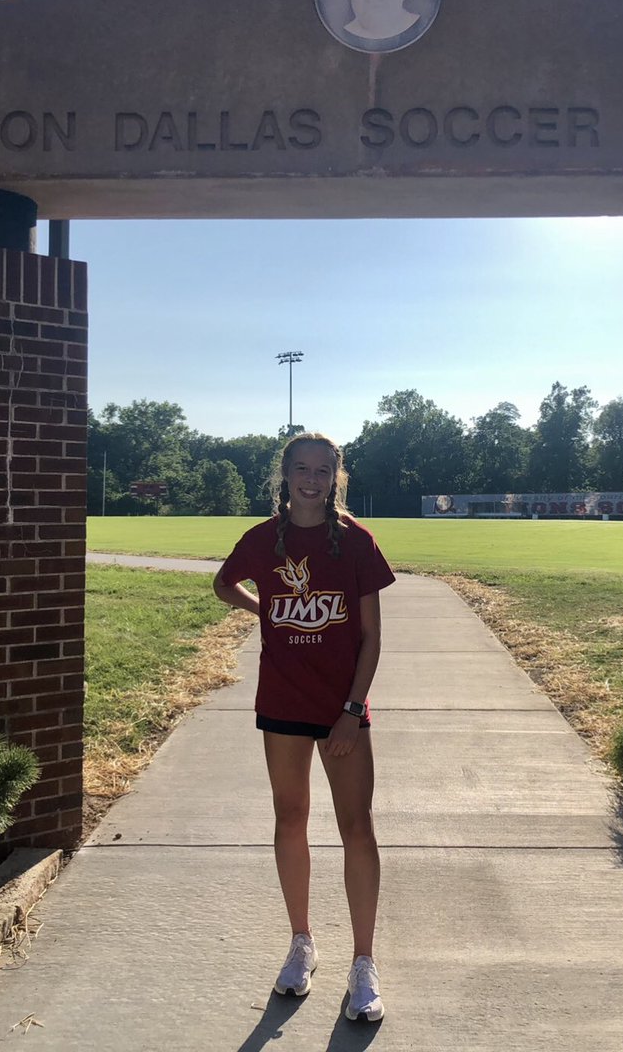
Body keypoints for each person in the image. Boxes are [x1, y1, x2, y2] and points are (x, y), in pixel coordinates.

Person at [213, 432, 395, 1022]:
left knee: (355, 827)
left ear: (336, 477)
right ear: (285, 475)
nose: (312, 480)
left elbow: (370, 639)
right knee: (290, 818)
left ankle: (363, 963)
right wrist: (261, 608)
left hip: (341, 710)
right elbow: (223, 582)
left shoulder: (357, 542)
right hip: (283, 704)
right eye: (301, 470)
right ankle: (301, 943)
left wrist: (350, 711)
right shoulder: (263, 540)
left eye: (323, 471)